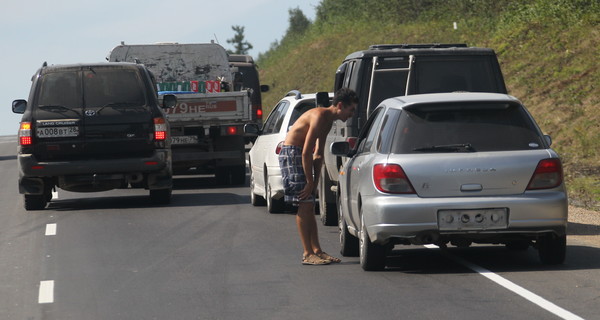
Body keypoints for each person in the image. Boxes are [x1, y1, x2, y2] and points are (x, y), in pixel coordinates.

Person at [279, 88, 358, 265]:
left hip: (302, 155)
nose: (352, 114)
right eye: (351, 109)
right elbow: (306, 151)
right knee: (304, 204)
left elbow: (318, 155)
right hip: (292, 153)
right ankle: (307, 254)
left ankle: (317, 251)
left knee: (309, 204)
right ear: (340, 105)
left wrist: (314, 183)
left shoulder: (328, 121)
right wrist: (308, 181)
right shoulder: (319, 116)